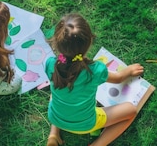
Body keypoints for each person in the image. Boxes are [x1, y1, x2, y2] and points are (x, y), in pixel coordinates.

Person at [44, 14, 144, 146]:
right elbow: (119, 78)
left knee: (57, 91)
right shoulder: (95, 70)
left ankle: (53, 134)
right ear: (90, 42)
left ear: (56, 43)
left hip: (55, 116)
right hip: (86, 123)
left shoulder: (51, 63)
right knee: (131, 110)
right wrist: (128, 71)